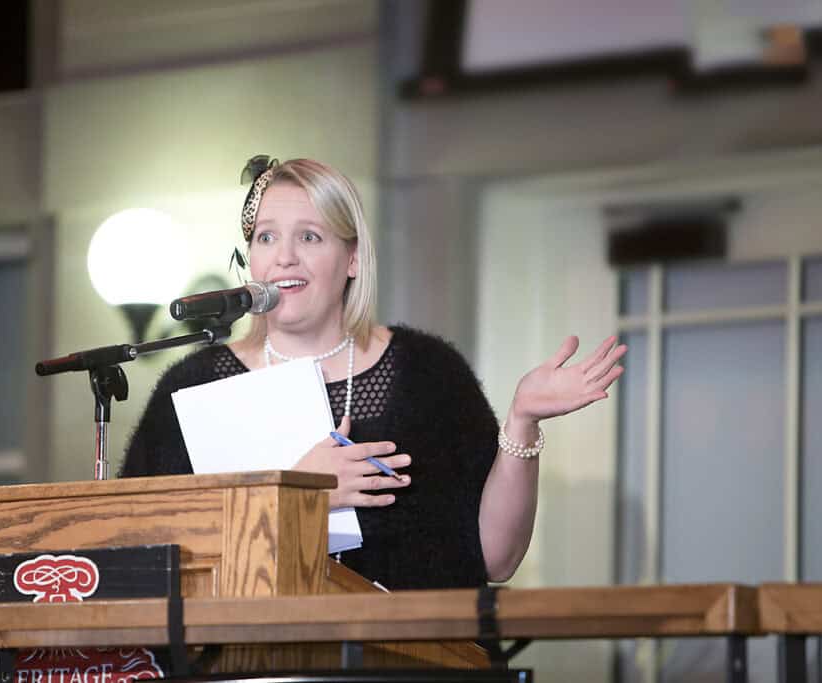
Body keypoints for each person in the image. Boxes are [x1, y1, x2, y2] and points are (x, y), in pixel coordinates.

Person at [120, 156, 625, 590]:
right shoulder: (195, 385)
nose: (284, 256)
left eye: (310, 236)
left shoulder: (425, 373)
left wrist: (521, 421)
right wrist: (300, 494)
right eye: (266, 236)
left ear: (353, 257)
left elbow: (497, 559)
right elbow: (140, 553)